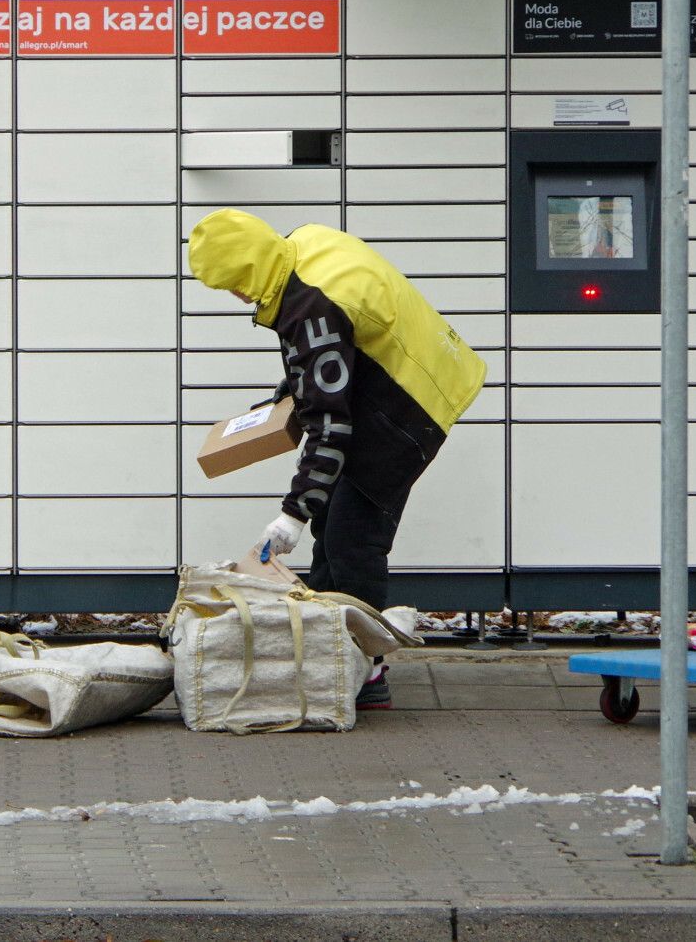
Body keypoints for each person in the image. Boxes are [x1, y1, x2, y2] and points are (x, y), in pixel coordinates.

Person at [187, 208, 487, 708]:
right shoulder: (303, 246)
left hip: (409, 405)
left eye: (236, 284)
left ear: (252, 267)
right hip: (412, 369)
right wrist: (292, 394)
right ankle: (332, 649)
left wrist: (292, 514)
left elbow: (330, 424)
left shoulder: (310, 307)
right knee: (334, 520)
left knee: (352, 539)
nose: (238, 297)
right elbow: (336, 354)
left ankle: (366, 671)